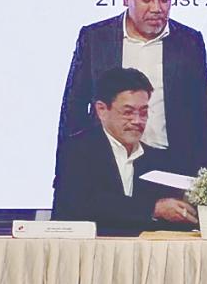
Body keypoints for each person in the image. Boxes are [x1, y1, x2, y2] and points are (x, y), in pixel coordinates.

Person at [56, 0, 207, 182]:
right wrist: (64, 177)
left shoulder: (189, 43)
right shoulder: (96, 40)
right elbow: (72, 112)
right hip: (105, 172)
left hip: (171, 169)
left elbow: (205, 119)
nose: (157, 8)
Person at [53, 67, 199, 230]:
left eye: (143, 113)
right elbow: (84, 205)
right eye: (128, 112)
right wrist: (153, 209)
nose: (137, 121)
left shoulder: (158, 160)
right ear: (101, 109)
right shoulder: (76, 150)